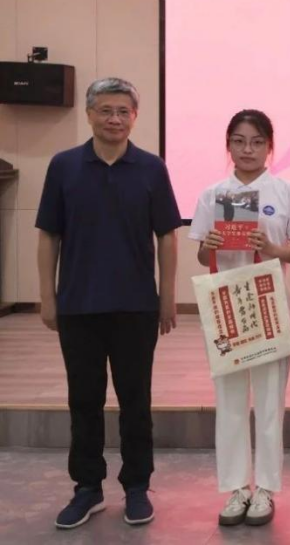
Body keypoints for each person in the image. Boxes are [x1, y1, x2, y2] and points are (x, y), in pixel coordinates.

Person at [36, 78, 181, 529]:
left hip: (136, 306)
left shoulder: (151, 168)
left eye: (123, 111)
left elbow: (167, 235)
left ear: (134, 116)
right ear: (89, 114)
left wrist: (168, 296)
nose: (114, 119)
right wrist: (47, 296)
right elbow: (48, 234)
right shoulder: (63, 166)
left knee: (136, 400)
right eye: (105, 110)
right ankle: (87, 488)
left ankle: (137, 486)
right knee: (84, 399)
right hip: (78, 304)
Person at [190, 110, 290, 527]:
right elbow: (202, 255)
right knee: (230, 400)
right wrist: (210, 243)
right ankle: (236, 487)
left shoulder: (288, 192)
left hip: (269, 303)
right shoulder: (212, 195)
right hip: (226, 304)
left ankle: (265, 489)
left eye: (257, 142)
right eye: (239, 141)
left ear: (269, 147)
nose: (247, 150)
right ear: (228, 145)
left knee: (270, 401)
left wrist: (272, 248)